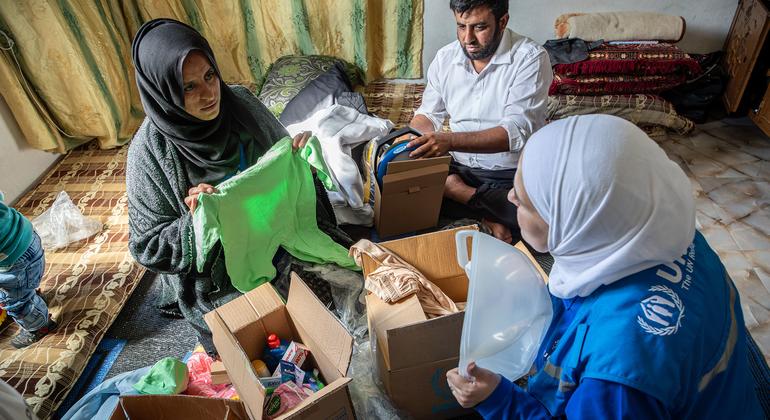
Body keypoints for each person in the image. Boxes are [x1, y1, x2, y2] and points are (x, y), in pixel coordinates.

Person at [446, 115, 762, 419]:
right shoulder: (670, 233)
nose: (511, 197)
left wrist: (498, 400)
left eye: (526, 202)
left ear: (575, 223)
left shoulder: (616, 382)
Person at [126, 19, 350, 353]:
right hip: (221, 272)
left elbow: (282, 163)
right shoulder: (150, 152)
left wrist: (299, 160)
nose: (209, 94)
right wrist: (197, 222)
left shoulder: (240, 103)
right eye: (189, 88)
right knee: (270, 340)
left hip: (278, 234)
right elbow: (147, 246)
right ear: (163, 92)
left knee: (348, 290)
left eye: (210, 76)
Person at [406, 0, 552, 243]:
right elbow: (428, 115)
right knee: (400, 199)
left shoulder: (530, 57)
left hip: (509, 175)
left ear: (502, 21)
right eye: (461, 26)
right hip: (457, 168)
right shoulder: (445, 58)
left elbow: (514, 132)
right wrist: (411, 138)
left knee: (543, 223)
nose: (468, 38)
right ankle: (482, 215)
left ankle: (462, 197)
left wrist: (449, 141)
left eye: (479, 27)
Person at [0, 191, 56, 349]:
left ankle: (39, 326)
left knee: (14, 301)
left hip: (14, 260)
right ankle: (32, 296)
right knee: (25, 280)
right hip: (27, 235)